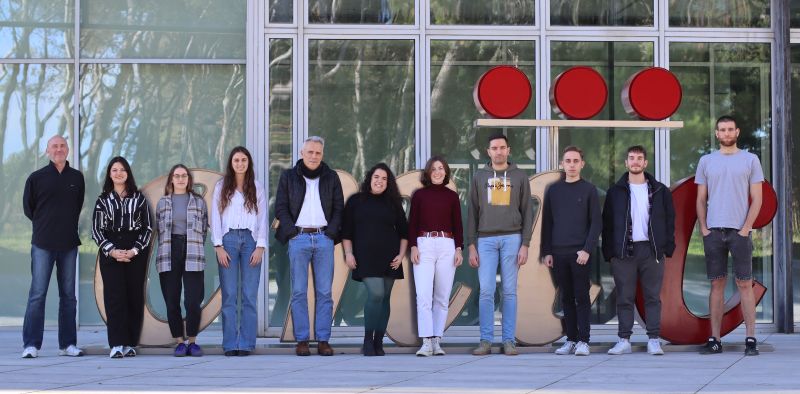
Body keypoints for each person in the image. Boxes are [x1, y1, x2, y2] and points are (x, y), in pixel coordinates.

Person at [696, 115, 764, 356]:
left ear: (737, 132)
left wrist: (746, 228)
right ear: (716, 134)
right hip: (714, 231)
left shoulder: (750, 160)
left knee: (745, 284)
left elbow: (758, 198)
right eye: (722, 130)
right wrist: (704, 227)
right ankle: (715, 339)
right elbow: (700, 199)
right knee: (716, 284)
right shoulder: (706, 161)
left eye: (729, 130)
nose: (726, 133)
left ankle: (751, 339)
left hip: (739, 231)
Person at [602, 146, 675, 356]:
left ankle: (653, 339)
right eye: (632, 158)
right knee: (625, 297)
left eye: (639, 158)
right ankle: (624, 339)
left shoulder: (660, 190)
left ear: (645, 163)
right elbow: (607, 224)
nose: (635, 162)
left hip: (651, 251)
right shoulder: (615, 192)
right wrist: (611, 252)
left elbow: (670, 221)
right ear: (626, 163)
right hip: (624, 251)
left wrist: (666, 248)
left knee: (652, 296)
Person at [275, 136, 344, 357]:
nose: (314, 156)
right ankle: (302, 340)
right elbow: (281, 208)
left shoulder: (331, 177)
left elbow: (339, 209)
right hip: (299, 238)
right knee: (298, 292)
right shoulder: (288, 177)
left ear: (322, 155)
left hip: (324, 238)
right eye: (310, 152)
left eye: (318, 153)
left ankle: (323, 340)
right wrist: (292, 233)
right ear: (302, 153)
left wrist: (331, 234)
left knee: (325, 292)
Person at [467, 133, 533, 356]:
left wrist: (525, 244)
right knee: (486, 291)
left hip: (512, 238)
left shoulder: (520, 176)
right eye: (494, 148)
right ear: (488, 151)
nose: (499, 151)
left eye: (502, 148)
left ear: (509, 150)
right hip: (484, 239)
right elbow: (472, 213)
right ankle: (485, 341)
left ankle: (509, 341)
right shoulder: (479, 176)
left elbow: (527, 212)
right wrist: (471, 245)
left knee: (509, 292)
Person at [21, 135, 85, 359]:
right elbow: (29, 209)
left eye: (62, 146)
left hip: (68, 244)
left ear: (67, 150)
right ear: (47, 151)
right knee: (37, 295)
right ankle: (31, 344)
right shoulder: (36, 178)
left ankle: (67, 344)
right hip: (42, 244)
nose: (59, 149)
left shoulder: (76, 177)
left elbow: (77, 207)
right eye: (54, 146)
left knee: (68, 296)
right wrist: (45, 225)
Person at [342, 163, 408, 356]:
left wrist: (401, 255)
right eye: (377, 177)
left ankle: (379, 341)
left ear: (389, 183)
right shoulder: (356, 201)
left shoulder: (393, 203)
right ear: (370, 179)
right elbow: (346, 231)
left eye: (384, 178)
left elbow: (404, 232)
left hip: (390, 257)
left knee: (385, 298)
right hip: (365, 257)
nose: (380, 181)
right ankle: (367, 339)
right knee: (376, 294)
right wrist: (348, 253)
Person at [541, 146, 601, 357]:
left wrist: (586, 250)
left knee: (581, 297)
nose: (572, 164)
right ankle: (571, 339)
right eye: (568, 161)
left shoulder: (589, 190)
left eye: (576, 161)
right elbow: (547, 223)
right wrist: (547, 251)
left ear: (582, 164)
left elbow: (596, 224)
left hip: (580, 254)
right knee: (565, 298)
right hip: (558, 253)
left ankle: (584, 341)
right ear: (562, 164)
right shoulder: (554, 190)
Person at [92, 156, 152, 358]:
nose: (119, 173)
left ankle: (130, 344)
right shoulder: (103, 200)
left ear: (128, 173)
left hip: (136, 250)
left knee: (134, 297)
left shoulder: (139, 198)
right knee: (114, 297)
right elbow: (97, 231)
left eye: (122, 169)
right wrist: (113, 251)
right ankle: (116, 344)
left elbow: (147, 228)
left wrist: (134, 250)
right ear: (110, 174)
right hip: (111, 250)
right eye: (115, 170)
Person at [211, 147, 267, 357]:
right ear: (231, 163)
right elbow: (215, 217)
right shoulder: (221, 187)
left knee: (249, 295)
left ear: (248, 163)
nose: (240, 163)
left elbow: (262, 218)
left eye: (244, 160)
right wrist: (218, 246)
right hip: (228, 240)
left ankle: (245, 343)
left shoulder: (257, 187)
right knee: (230, 294)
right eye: (236, 160)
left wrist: (261, 246)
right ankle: (230, 343)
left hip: (251, 241)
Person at [408, 156, 463, 357]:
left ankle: (437, 340)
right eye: (434, 169)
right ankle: (426, 341)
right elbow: (412, 222)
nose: (438, 172)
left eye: (441, 168)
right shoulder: (419, 195)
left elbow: (458, 224)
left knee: (441, 296)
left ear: (446, 172)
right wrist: (413, 246)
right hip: (424, 244)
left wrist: (459, 249)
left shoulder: (452, 196)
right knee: (423, 295)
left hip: (447, 245)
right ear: (428, 173)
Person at [155, 164, 208, 357]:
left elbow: (203, 231)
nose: (180, 179)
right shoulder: (162, 203)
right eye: (176, 176)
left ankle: (192, 341)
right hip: (169, 252)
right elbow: (158, 231)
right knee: (172, 300)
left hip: (193, 250)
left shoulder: (199, 202)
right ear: (171, 179)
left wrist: (192, 244)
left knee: (193, 300)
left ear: (189, 179)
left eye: (184, 176)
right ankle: (179, 341)